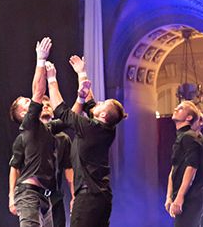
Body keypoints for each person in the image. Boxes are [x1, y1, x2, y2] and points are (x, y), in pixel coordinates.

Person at [46, 56, 127, 227]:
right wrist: (81, 73)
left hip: (88, 196)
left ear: (103, 115)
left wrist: (51, 79)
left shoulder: (90, 128)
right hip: (102, 197)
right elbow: (89, 102)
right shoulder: (108, 128)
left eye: (102, 103)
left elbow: (61, 110)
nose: (99, 102)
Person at [7, 37, 56, 227]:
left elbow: (70, 117)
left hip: (45, 196)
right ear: (23, 113)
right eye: (26, 102)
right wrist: (40, 60)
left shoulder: (45, 128)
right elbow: (38, 92)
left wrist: (82, 95)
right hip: (28, 193)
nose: (32, 100)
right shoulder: (29, 123)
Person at [9, 95, 74, 227]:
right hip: (31, 192)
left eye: (48, 105)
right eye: (42, 105)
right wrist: (11, 197)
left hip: (52, 196)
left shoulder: (63, 138)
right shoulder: (25, 136)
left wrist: (74, 195)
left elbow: (69, 169)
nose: (45, 107)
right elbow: (15, 167)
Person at [164, 101, 203, 227]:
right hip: (183, 197)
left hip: (191, 199)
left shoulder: (189, 137)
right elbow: (174, 168)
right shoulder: (182, 137)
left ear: (189, 117)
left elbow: (192, 167)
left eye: (181, 108)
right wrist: (169, 196)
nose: (175, 109)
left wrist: (180, 196)